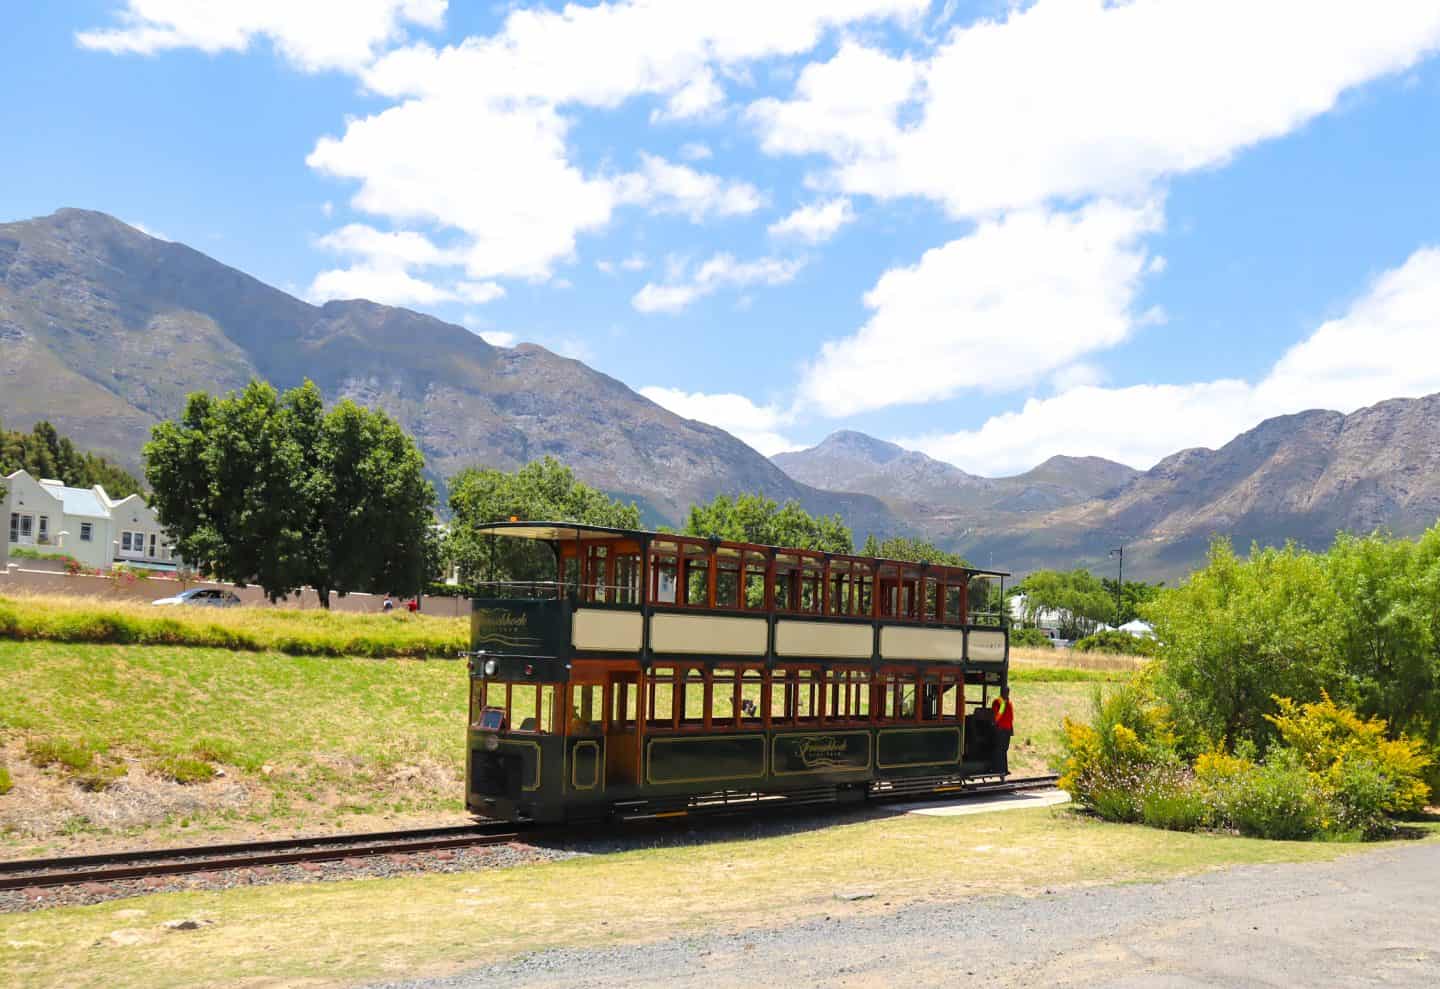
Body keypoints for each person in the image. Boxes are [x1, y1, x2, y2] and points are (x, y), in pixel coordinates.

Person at [991, 686, 1014, 774]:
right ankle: (998, 769)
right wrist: (996, 726)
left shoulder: (1008, 703)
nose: (1007, 694)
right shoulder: (998, 702)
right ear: (1001, 692)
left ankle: (1003, 769)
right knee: (999, 749)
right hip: (1000, 729)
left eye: (1008, 692)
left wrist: (1011, 729)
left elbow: (1010, 717)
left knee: (1004, 749)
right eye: (1005, 692)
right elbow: (997, 716)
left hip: (1007, 729)